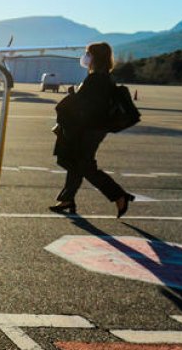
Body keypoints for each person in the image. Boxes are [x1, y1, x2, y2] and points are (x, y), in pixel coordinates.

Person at [49, 42, 136, 218]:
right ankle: (67, 198)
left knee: (83, 165)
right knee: (73, 162)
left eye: (88, 53)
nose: (85, 57)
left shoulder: (98, 79)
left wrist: (73, 99)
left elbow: (90, 106)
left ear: (95, 57)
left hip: (89, 129)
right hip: (92, 128)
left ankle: (119, 195)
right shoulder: (102, 77)